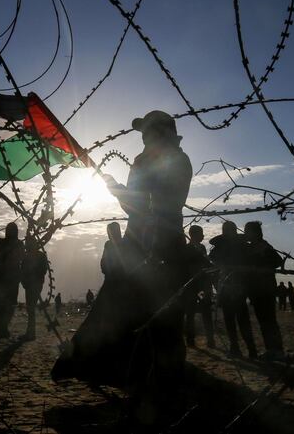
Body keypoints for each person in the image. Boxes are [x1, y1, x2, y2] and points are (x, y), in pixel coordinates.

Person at [52, 110, 192, 425]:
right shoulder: (153, 160)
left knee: (158, 321)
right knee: (125, 315)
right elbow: (136, 205)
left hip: (159, 247)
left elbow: (150, 205)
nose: (143, 137)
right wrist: (115, 186)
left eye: (148, 131)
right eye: (142, 133)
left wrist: (117, 186)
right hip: (142, 245)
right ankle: (142, 384)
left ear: (163, 132)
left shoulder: (171, 161)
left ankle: (163, 391)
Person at [210, 221, 257, 360]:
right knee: (236, 319)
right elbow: (213, 261)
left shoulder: (239, 246)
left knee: (238, 319)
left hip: (236, 287)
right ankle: (242, 348)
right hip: (228, 287)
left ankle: (245, 348)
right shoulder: (226, 246)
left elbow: (213, 261)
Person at [244, 221, 285, 360]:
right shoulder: (249, 248)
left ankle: (278, 350)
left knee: (270, 320)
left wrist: (263, 255)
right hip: (255, 290)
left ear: (255, 232)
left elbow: (277, 262)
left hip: (266, 289)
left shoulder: (265, 246)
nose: (245, 234)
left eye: (247, 231)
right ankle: (270, 349)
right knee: (263, 321)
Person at [0, 222, 24, 338]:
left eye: (12, 230)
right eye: (9, 230)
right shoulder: (0, 242)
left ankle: (3, 329)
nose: (10, 232)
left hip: (10, 280)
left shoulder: (18, 244)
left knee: (7, 305)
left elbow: (20, 257)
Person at [184, 225, 215, 348]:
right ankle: (191, 340)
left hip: (203, 284)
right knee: (190, 313)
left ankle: (210, 339)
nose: (202, 236)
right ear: (194, 235)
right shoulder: (187, 249)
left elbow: (206, 264)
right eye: (200, 234)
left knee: (206, 311)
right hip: (192, 285)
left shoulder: (201, 247)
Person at [21, 236, 48, 340]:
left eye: (28, 243)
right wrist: (25, 281)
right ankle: (30, 332)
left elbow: (43, 270)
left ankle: (31, 333)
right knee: (30, 308)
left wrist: (32, 277)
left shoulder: (39, 256)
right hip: (30, 285)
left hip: (34, 285)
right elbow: (22, 270)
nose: (26, 245)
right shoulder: (29, 256)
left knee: (31, 308)